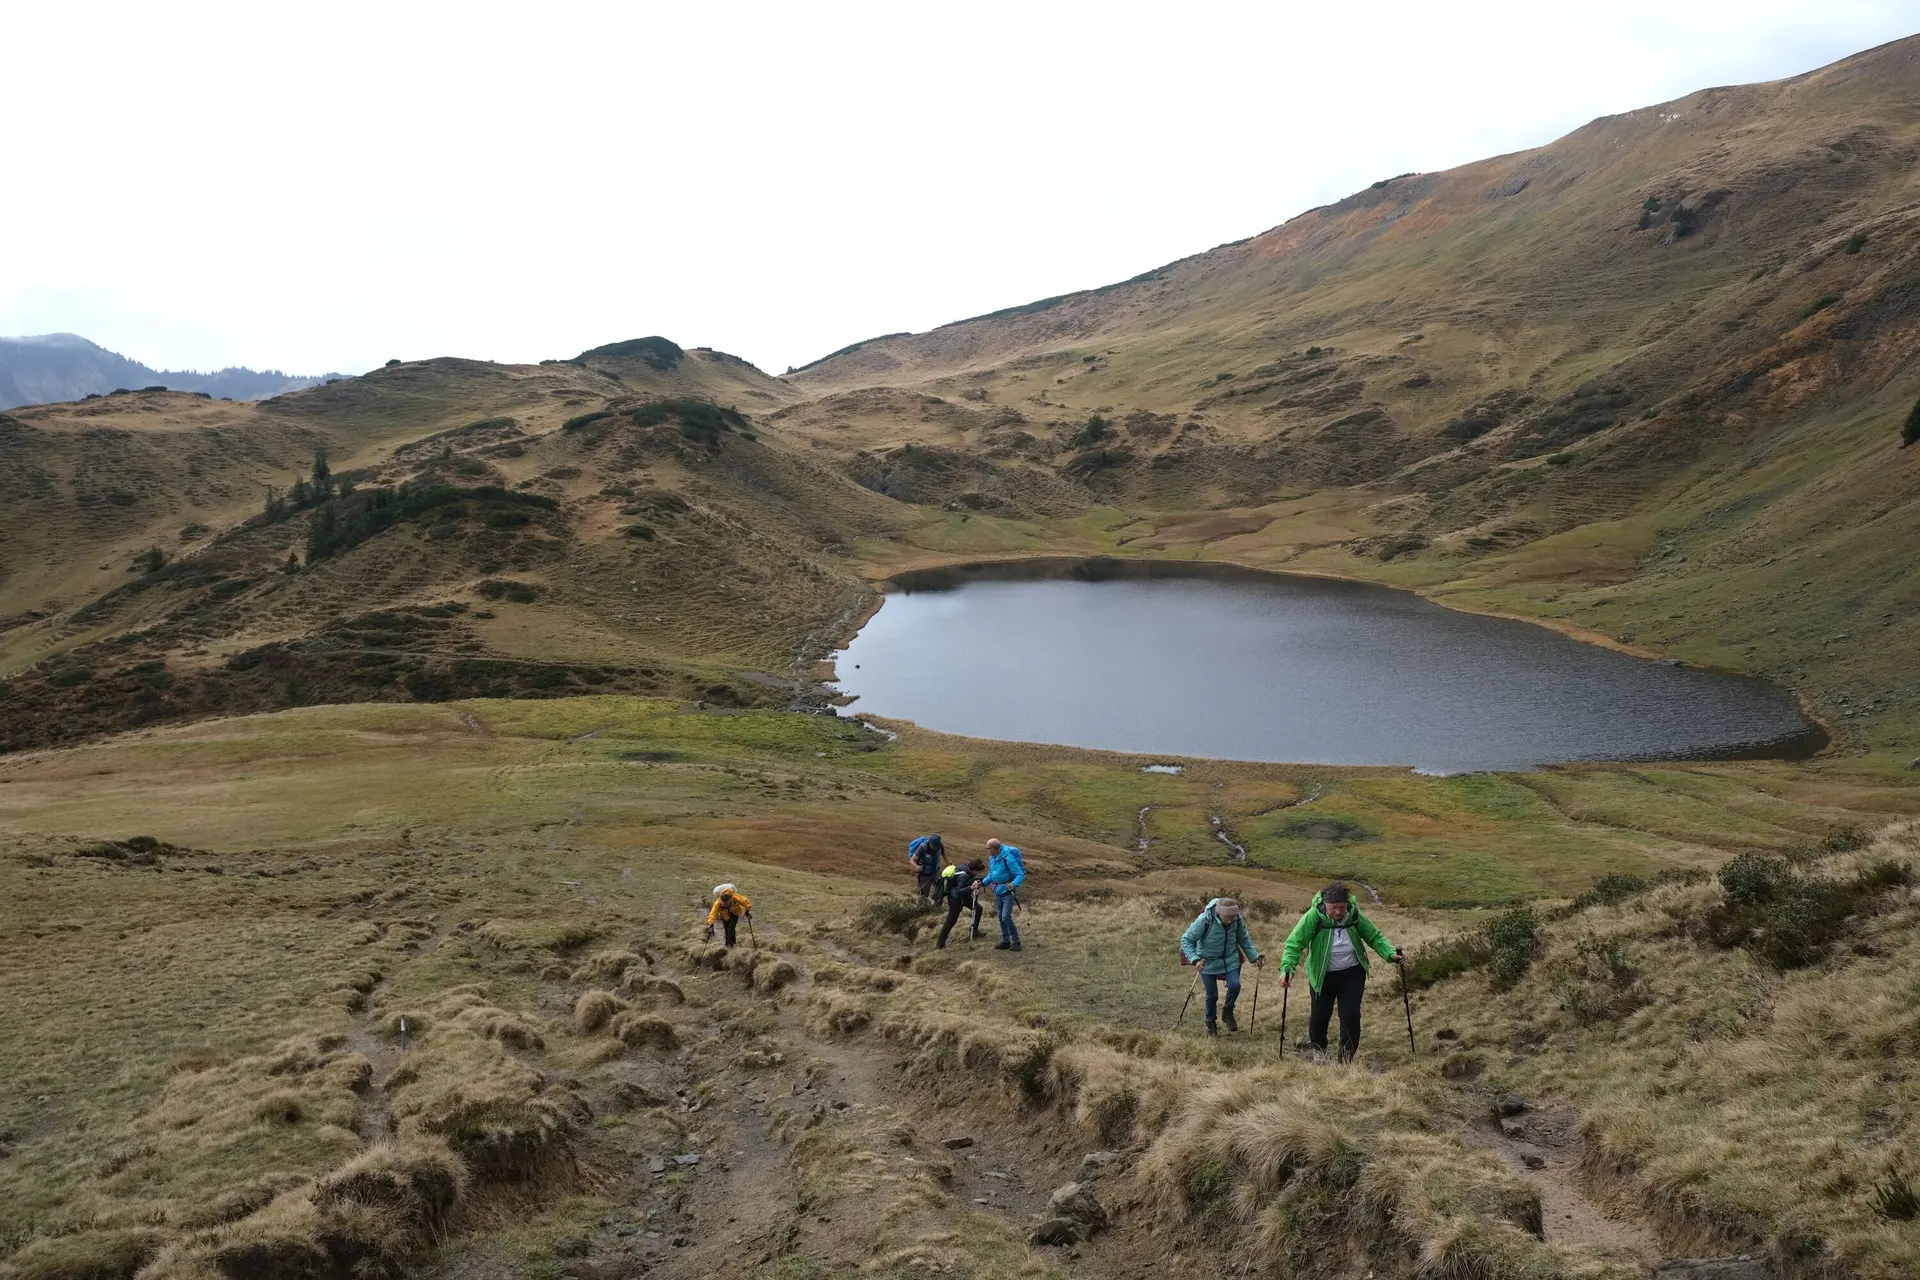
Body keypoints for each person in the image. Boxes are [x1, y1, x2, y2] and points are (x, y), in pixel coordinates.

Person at [1279, 881, 1402, 1062]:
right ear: (1325, 905)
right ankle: (1318, 1048)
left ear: (1347, 905)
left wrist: (1390, 954)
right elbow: (1294, 944)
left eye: (1341, 907)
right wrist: (1287, 969)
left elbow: (1374, 936)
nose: (1338, 912)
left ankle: (1346, 1056)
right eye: (1333, 908)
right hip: (1322, 975)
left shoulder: (1353, 914)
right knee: (1320, 1015)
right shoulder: (1314, 916)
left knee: (1350, 1014)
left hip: (1352, 973)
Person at [1180, 897, 1261, 1036]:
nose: (1231, 920)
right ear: (1219, 913)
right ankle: (1210, 1022)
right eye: (1227, 917)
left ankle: (1227, 1012)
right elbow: (1186, 939)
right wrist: (1194, 959)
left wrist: (1254, 957)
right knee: (1212, 995)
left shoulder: (1237, 920)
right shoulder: (1204, 920)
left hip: (1230, 960)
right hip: (1207, 962)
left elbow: (1244, 939)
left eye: (1233, 916)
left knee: (1235, 986)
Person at [981, 838, 1026, 951]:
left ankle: (1016, 942)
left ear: (994, 848)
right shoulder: (992, 858)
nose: (987, 850)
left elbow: (1019, 874)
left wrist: (1013, 884)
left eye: (988, 848)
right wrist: (981, 883)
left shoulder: (1008, 858)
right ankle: (1005, 941)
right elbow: (991, 875)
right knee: (1001, 916)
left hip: (1008, 891)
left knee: (1005, 916)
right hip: (997, 890)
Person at [935, 858, 987, 949]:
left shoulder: (966, 869)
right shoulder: (964, 876)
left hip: (964, 897)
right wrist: (971, 888)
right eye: (978, 871)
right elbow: (959, 890)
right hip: (955, 899)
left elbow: (968, 881)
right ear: (975, 870)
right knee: (951, 921)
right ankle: (940, 944)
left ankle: (974, 931)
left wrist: (977, 882)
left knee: (978, 908)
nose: (978, 873)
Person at [706, 883, 753, 948]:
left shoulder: (735, 897)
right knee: (726, 929)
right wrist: (711, 924)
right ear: (721, 901)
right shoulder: (717, 903)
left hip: (735, 912)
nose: (725, 905)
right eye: (724, 904)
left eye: (727, 903)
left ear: (730, 899)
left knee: (731, 929)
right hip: (724, 915)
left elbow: (745, 901)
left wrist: (748, 910)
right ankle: (728, 944)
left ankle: (731, 944)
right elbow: (713, 914)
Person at [908, 833, 946, 904]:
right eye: (933, 846)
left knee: (941, 888)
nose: (934, 848)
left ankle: (937, 906)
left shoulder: (940, 845)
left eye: (935, 846)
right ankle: (922, 909)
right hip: (924, 874)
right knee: (923, 895)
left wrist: (949, 864)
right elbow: (912, 860)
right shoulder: (923, 847)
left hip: (936, 872)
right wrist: (916, 867)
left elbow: (943, 853)